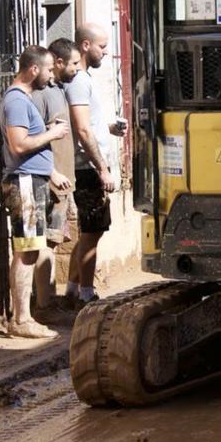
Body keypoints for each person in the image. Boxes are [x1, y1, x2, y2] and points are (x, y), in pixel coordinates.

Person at [0, 46, 71, 338]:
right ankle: (21, 319)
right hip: (25, 182)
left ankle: (22, 317)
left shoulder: (24, 100)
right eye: (49, 70)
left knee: (28, 248)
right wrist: (51, 134)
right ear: (33, 70)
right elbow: (18, 145)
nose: (52, 75)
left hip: (33, 180)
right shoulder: (16, 101)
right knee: (27, 249)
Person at [66, 23, 127, 305]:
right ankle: (85, 294)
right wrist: (102, 168)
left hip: (91, 164)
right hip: (87, 167)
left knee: (91, 230)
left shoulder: (84, 78)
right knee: (92, 230)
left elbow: (90, 124)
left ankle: (71, 288)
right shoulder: (78, 80)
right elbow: (82, 129)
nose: (105, 52)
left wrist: (110, 127)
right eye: (102, 46)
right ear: (86, 45)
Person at [30, 38, 81, 313]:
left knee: (52, 241)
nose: (76, 69)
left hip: (62, 182)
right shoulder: (42, 94)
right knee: (45, 243)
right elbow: (32, 137)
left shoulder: (59, 89)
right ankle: (44, 304)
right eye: (73, 63)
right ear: (58, 63)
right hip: (50, 181)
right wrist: (51, 173)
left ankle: (48, 301)